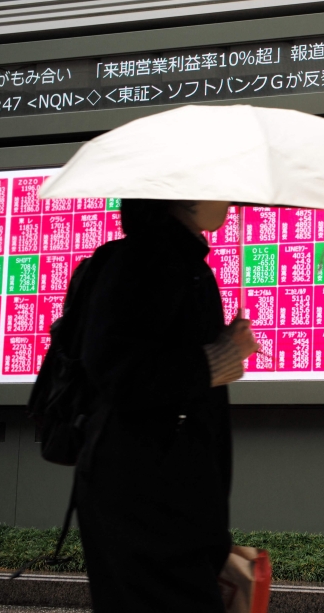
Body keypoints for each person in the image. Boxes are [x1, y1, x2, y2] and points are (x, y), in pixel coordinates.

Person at [74, 199, 257, 613]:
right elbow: (118, 370)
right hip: (145, 501)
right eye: (218, 185)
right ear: (185, 194)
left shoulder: (180, 261)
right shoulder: (146, 261)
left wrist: (218, 351)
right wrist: (220, 356)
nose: (229, 198)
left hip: (162, 495)